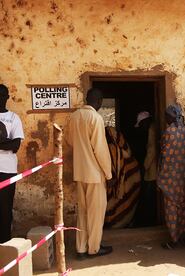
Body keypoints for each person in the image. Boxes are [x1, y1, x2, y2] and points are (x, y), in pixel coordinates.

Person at [65, 88, 114, 259]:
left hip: (79, 172)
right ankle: (93, 248)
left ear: (86, 99)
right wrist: (109, 174)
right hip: (94, 174)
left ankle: (81, 248)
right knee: (95, 214)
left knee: (83, 213)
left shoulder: (74, 117)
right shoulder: (95, 118)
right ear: (99, 101)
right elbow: (100, 150)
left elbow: (69, 141)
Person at [157, 104, 185, 249]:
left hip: (171, 179)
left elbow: (164, 155)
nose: (165, 118)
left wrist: (160, 175)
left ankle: (174, 240)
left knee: (172, 209)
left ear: (172, 116)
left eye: (167, 115)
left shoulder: (169, 131)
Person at [0, 84, 24, 243]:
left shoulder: (14, 118)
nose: (0, 98)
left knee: (5, 209)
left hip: (7, 170)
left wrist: (9, 143)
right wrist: (5, 142)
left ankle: (4, 244)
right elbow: (10, 144)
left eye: (2, 95)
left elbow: (15, 146)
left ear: (7, 97)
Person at [104, 126, 141, 228]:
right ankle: (121, 223)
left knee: (112, 204)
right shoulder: (117, 149)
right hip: (117, 181)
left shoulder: (106, 148)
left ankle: (113, 223)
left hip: (111, 181)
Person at [133, 111, 158, 227]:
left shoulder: (151, 130)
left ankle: (150, 222)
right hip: (151, 169)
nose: (141, 128)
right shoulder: (151, 129)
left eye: (141, 124)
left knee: (149, 196)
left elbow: (151, 150)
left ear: (145, 122)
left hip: (152, 170)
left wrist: (144, 166)